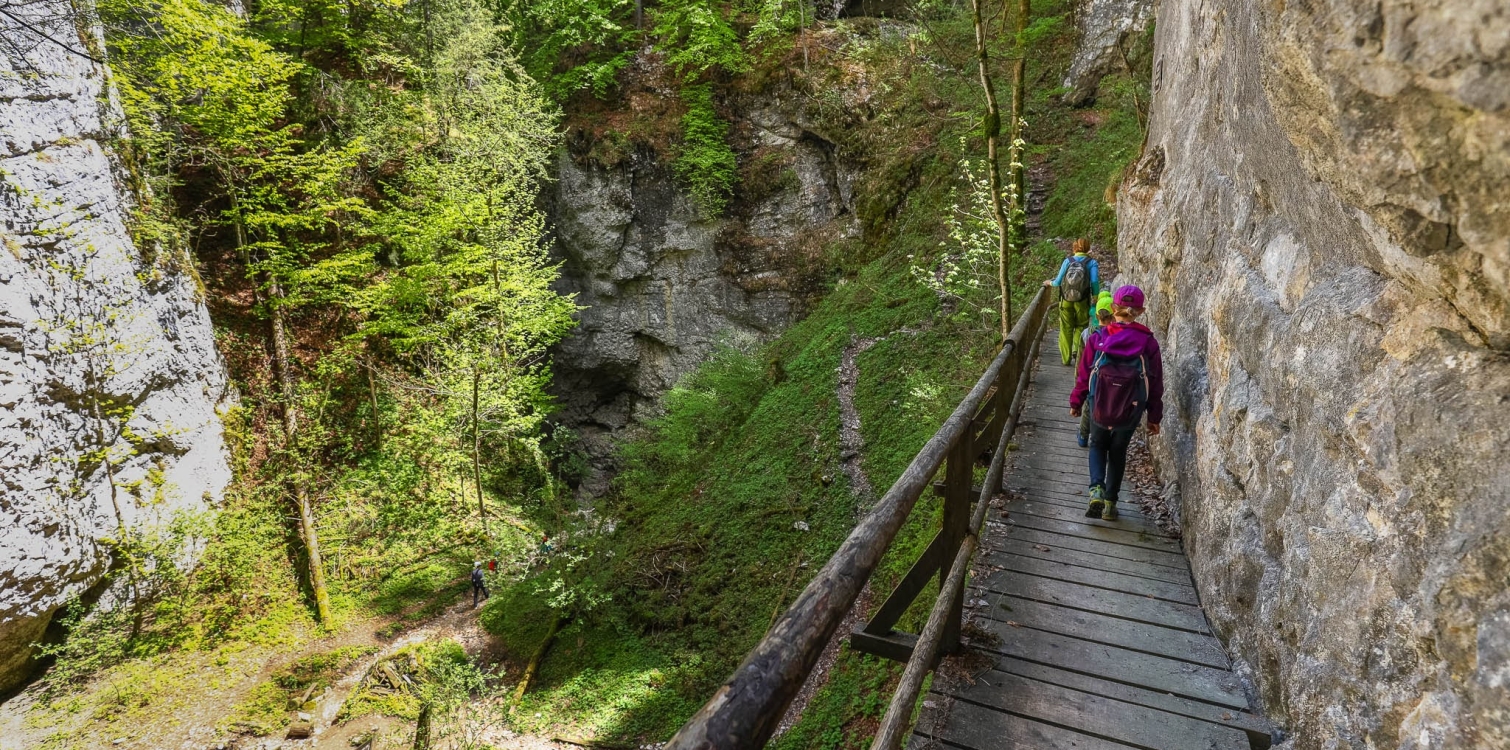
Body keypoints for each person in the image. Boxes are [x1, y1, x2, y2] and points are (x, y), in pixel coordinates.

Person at [1069, 285, 1163, 521]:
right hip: (1130, 409)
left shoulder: (1098, 338)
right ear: (1140, 310)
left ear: (1113, 307)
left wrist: (1076, 401)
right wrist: (1154, 416)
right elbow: (1155, 382)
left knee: (1098, 444)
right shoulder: (1148, 343)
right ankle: (1111, 503)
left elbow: (1084, 373)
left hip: (1099, 402)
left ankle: (1096, 490)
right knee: (1118, 451)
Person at [1043, 239, 1101, 366]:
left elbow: (1058, 282)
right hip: (1082, 301)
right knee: (1081, 325)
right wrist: (1095, 298)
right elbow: (1095, 282)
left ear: (1074, 248)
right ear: (1088, 249)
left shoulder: (1067, 261)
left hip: (1066, 300)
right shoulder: (1092, 263)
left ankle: (1066, 358)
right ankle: (1076, 351)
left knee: (1065, 328)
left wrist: (1048, 282)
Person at [1076, 291, 1114, 448]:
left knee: (1088, 407)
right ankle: (1103, 440)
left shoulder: (1087, 333)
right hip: (1110, 379)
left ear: (1097, 314)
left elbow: (1080, 361)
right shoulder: (1117, 336)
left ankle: (1083, 436)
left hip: (1091, 379)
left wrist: (1078, 384)